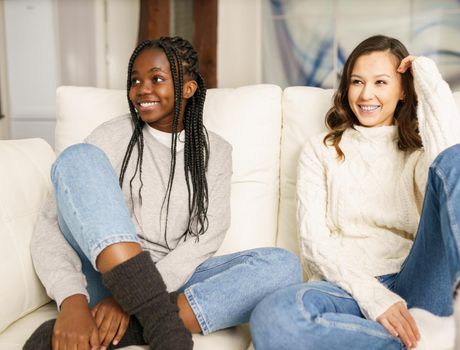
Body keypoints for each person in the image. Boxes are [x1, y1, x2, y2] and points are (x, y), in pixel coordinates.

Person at [25, 36, 302, 350]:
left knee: (283, 267)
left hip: (171, 279)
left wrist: (130, 299)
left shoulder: (216, 152)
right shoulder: (109, 136)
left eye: (156, 79)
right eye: (135, 81)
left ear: (188, 88)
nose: (143, 89)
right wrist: (72, 302)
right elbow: (51, 225)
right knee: (76, 158)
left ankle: (131, 325)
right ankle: (163, 327)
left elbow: (205, 237)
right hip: (101, 276)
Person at [250, 35, 460, 350]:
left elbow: (450, 162)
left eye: (380, 82)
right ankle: (429, 338)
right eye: (357, 82)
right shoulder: (320, 150)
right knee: (273, 318)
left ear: (403, 90)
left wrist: (426, 77)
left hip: (418, 282)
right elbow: (314, 244)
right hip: (345, 288)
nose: (366, 94)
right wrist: (376, 299)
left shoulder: (418, 154)